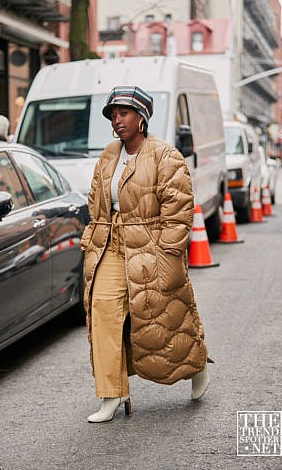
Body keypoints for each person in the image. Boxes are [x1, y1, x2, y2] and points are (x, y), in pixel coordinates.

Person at [81, 86, 211, 423]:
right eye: (113, 114)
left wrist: (168, 254)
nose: (117, 120)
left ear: (142, 118)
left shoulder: (165, 155)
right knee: (104, 311)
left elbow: (179, 212)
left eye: (124, 112)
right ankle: (110, 394)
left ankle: (196, 367)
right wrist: (91, 240)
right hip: (111, 244)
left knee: (165, 318)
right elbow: (95, 201)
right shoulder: (108, 155)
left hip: (152, 245)